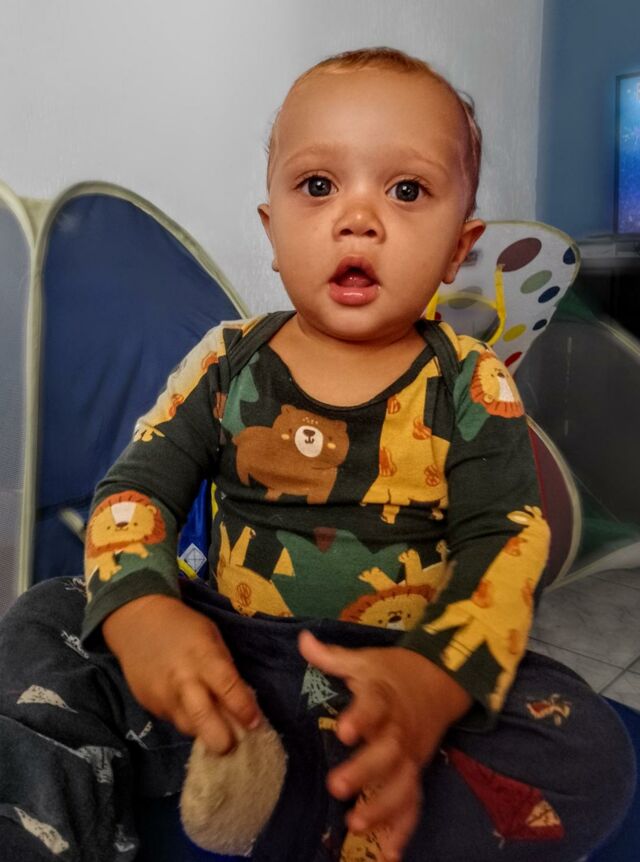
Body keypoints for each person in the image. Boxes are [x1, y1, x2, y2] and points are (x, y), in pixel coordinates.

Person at [0, 48, 635, 862]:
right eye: (319, 185)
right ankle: (67, 829)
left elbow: (506, 544)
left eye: (406, 191)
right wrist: (144, 613)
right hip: (229, 665)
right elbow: (135, 493)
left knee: (589, 751)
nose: (358, 217)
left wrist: (433, 684)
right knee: (47, 616)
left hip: (393, 678)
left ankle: (328, 810)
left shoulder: (471, 382)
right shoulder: (225, 361)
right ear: (273, 230)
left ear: (457, 247)